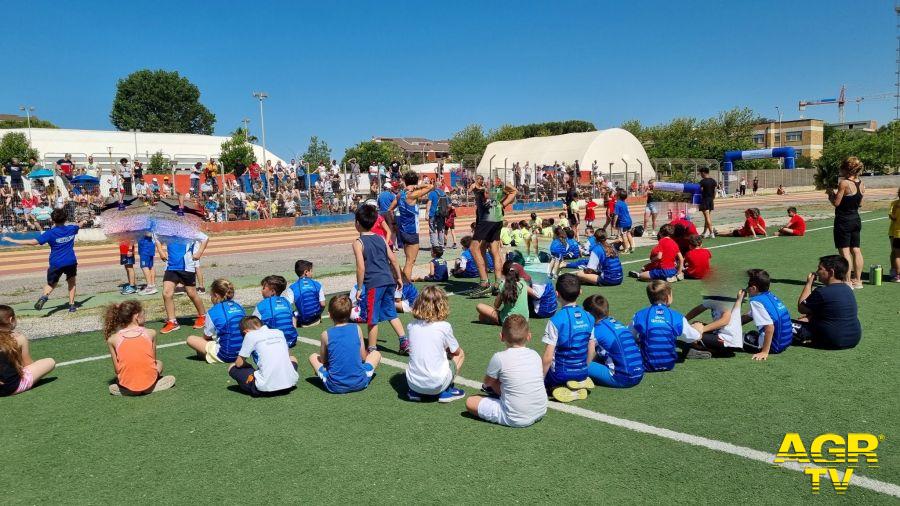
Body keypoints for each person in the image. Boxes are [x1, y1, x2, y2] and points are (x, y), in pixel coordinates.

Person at [465, 314, 547, 427]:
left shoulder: (499, 357)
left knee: (470, 401)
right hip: (541, 410)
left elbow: (487, 383)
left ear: (501, 336)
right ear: (529, 336)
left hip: (515, 418)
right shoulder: (535, 355)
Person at [3, 208, 86, 312]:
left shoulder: (50, 233)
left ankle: (44, 297)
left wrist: (13, 240)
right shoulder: (71, 229)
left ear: (52, 220)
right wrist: (84, 221)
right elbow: (79, 225)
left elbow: (33, 242)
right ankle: (72, 306)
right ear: (65, 219)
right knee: (71, 282)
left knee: (51, 284)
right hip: (70, 261)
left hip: (56, 263)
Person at [353, 205, 408, 354]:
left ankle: (372, 348)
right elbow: (394, 260)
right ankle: (404, 341)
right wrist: (398, 277)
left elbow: (360, 268)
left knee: (372, 318)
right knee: (391, 312)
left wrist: (359, 288)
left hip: (374, 283)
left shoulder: (358, 243)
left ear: (357, 223)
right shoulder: (381, 238)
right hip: (389, 280)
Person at [404, 286, 466, 402]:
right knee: (460, 353)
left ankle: (416, 392)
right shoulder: (444, 326)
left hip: (412, 384)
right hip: (437, 384)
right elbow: (456, 351)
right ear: (442, 305)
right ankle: (445, 390)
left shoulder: (411, 326)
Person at [309, 295, 380, 394]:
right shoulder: (357, 328)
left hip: (334, 386)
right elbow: (363, 357)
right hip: (360, 382)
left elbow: (323, 360)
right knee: (376, 354)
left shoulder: (326, 334)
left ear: (330, 315)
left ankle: (327, 375)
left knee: (313, 357)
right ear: (350, 313)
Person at [541, 274, 595, 402]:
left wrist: (539, 381)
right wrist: (584, 369)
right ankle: (578, 384)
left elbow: (548, 357)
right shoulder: (589, 317)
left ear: (556, 294)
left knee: (537, 367)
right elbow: (591, 349)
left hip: (561, 372)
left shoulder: (555, 321)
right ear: (580, 292)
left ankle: (557, 386)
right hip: (582, 371)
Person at [104, 300, 175, 396]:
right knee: (159, 363)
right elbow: (153, 362)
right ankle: (151, 386)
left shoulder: (112, 339)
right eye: (144, 314)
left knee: (122, 375)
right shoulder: (151, 333)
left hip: (127, 383)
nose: (145, 317)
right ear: (137, 316)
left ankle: (128, 389)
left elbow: (117, 370)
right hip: (149, 379)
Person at [631, 280, 702, 372]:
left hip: (646, 364)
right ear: (668, 297)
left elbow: (629, 336)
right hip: (669, 364)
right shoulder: (677, 317)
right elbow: (694, 338)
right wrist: (699, 329)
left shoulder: (639, 315)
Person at [793, 255, 862, 350]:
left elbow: (801, 308)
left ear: (831, 272)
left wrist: (809, 283)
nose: (817, 272)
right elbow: (831, 311)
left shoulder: (822, 292)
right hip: (853, 339)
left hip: (832, 340)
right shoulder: (848, 289)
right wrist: (811, 318)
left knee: (783, 324)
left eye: (820, 269)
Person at [469, 176, 517, 298]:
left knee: (474, 249)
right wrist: (503, 203)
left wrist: (477, 186)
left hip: (487, 219)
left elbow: (473, 189)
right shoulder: (498, 192)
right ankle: (498, 283)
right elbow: (514, 191)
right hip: (497, 218)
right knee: (494, 250)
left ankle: (484, 283)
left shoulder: (484, 190)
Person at [583, 295, 644, 388]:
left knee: (575, 363)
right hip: (639, 373)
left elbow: (588, 351)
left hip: (622, 377)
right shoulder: (616, 322)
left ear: (588, 314)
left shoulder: (595, 330)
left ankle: (578, 383)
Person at [229, 316, 299, 397]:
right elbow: (288, 355)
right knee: (293, 358)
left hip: (264, 389)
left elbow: (239, 363)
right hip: (290, 384)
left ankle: (252, 385)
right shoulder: (278, 332)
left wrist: (248, 365)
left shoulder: (250, 336)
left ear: (246, 332)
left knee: (232, 366)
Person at [185, 278, 246, 363]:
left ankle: (208, 355)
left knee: (190, 339)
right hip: (243, 353)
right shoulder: (240, 307)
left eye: (211, 295)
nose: (211, 298)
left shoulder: (213, 311)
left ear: (216, 295)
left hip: (225, 355)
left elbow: (207, 337)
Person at [157, 232, 208, 334]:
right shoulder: (166, 230)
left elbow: (205, 238)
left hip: (187, 267)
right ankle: (172, 322)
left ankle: (203, 316)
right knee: (166, 293)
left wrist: (199, 252)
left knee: (192, 293)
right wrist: (160, 251)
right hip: (171, 267)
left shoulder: (188, 230)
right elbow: (157, 238)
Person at [0, 305, 55, 397]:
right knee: (50, 361)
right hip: (11, 387)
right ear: (10, 320)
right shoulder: (18, 338)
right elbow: (28, 364)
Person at [827, 157, 865, 288]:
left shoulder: (844, 183)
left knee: (844, 252)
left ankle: (847, 281)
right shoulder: (861, 183)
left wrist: (830, 194)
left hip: (843, 220)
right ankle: (858, 280)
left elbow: (836, 203)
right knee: (856, 250)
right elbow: (860, 204)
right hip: (856, 219)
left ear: (846, 169)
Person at [742, 269, 793, 361]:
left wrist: (764, 352)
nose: (746, 289)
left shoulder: (756, 301)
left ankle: (763, 347)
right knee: (751, 334)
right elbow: (749, 316)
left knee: (733, 338)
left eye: (747, 286)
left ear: (753, 288)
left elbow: (770, 327)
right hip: (784, 341)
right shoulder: (769, 296)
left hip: (774, 346)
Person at [683, 291, 745, 358]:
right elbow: (698, 309)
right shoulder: (715, 299)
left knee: (691, 339)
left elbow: (725, 321)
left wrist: (702, 329)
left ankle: (712, 351)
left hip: (728, 340)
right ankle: (707, 349)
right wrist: (683, 321)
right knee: (694, 325)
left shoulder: (726, 300)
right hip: (719, 333)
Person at [476, 260, 530, 325]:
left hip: (508, 320)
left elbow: (496, 305)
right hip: (524, 320)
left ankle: (496, 321)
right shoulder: (523, 283)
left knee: (479, 307)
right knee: (483, 316)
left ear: (503, 272)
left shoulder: (503, 285)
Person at [253, 275, 298, 348]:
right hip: (291, 340)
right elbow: (293, 319)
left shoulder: (262, 305)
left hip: (274, 343)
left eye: (264, 288)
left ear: (272, 292)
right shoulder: (286, 302)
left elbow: (252, 325)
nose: (262, 290)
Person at [287, 260, 325, 328]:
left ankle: (294, 330)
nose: (312, 273)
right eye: (311, 271)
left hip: (303, 321)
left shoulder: (292, 287)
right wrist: (318, 314)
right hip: (316, 318)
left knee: (294, 312)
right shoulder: (317, 284)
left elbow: (287, 305)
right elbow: (323, 304)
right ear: (306, 272)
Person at [427, 181, 450, 248]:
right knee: (441, 230)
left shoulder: (432, 193)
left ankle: (435, 246)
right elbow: (448, 205)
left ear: (435, 186)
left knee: (433, 229)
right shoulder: (444, 194)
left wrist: (427, 213)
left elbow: (429, 203)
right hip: (442, 215)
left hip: (433, 214)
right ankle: (441, 245)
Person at [698, 167, 717, 238]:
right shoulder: (713, 181)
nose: (700, 175)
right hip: (711, 200)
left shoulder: (702, 182)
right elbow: (715, 191)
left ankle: (711, 233)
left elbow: (699, 190)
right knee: (707, 217)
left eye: (701, 173)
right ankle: (704, 232)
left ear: (703, 173)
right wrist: (713, 198)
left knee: (707, 217)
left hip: (704, 200)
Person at [890, 188, 900, 282]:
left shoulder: (895, 204)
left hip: (897, 233)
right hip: (895, 232)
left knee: (897, 255)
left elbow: (892, 217)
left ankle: (897, 276)